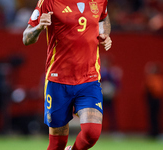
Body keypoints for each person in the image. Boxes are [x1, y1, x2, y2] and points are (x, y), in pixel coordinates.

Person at [23, 0, 112, 149]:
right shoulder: (48, 2)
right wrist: (39, 27)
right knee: (57, 144)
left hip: (89, 79)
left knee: (92, 133)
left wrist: (104, 34)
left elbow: (103, 17)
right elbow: (26, 38)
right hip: (58, 80)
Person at [144, 62, 163, 138]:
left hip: (155, 99)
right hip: (151, 99)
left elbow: (156, 90)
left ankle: (156, 132)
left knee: (155, 117)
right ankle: (152, 132)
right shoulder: (151, 77)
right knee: (151, 117)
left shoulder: (156, 78)